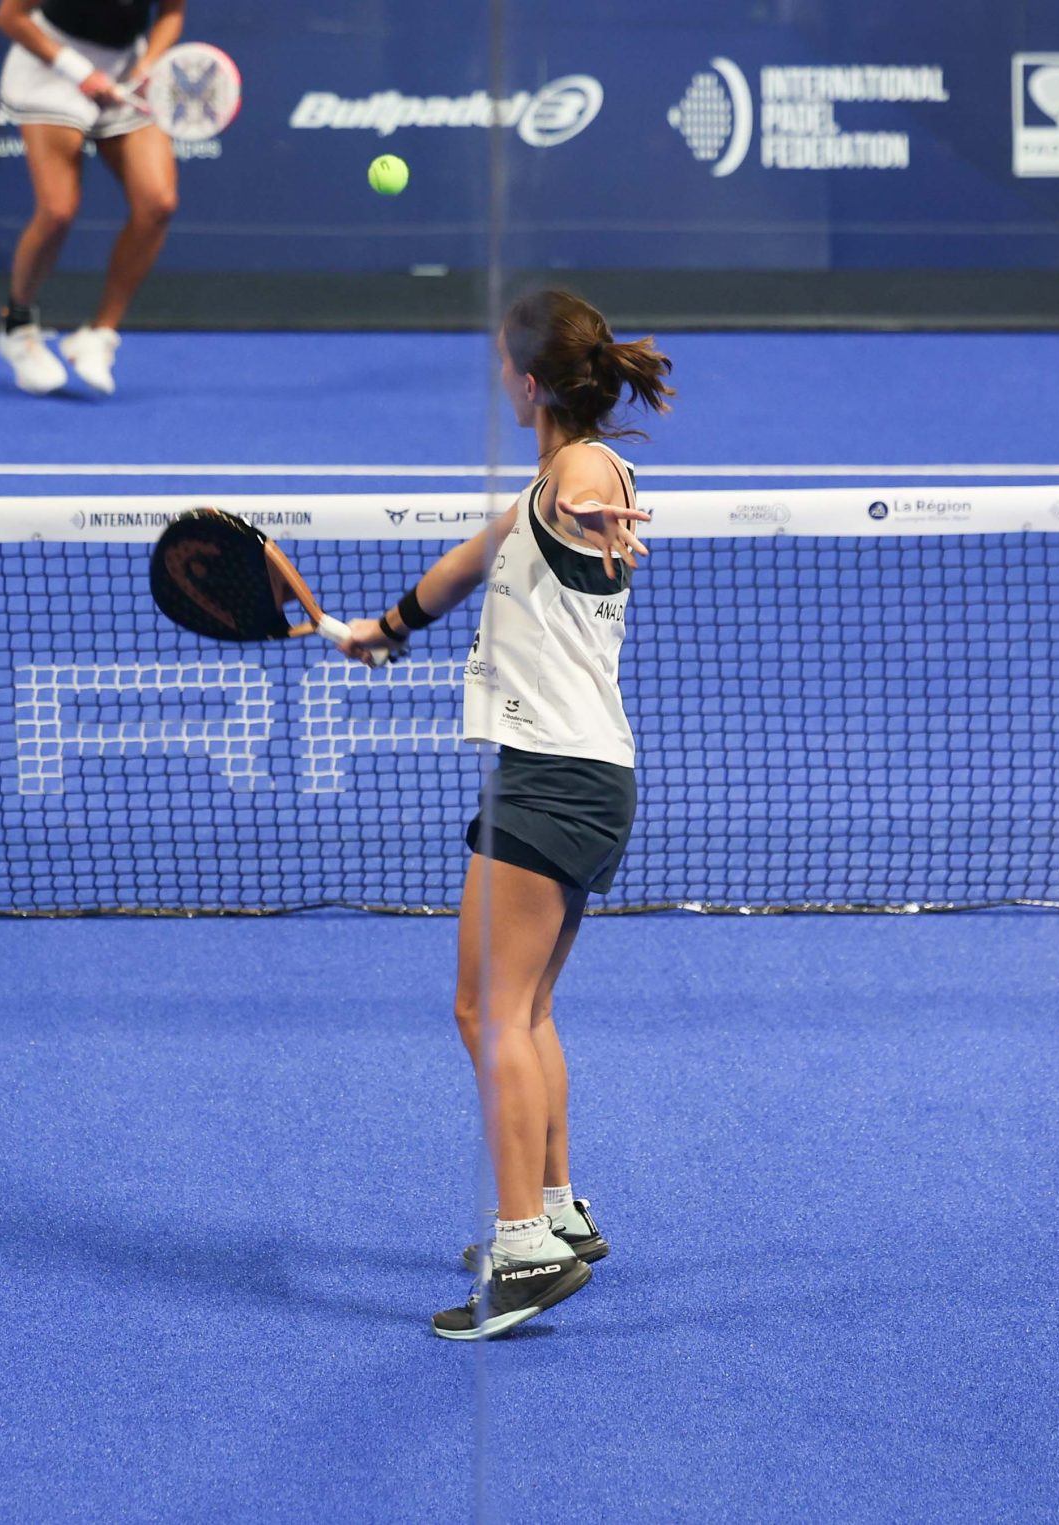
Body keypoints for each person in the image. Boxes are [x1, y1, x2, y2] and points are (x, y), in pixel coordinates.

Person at [336, 289, 674, 1339]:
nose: (498, 382)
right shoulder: (535, 492)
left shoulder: (582, 475)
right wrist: (386, 627)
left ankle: (523, 1248)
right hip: (582, 776)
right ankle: (559, 1211)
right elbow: (462, 567)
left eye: (502, 368)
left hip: (553, 779)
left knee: (485, 1010)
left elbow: (585, 490)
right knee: (523, 1010)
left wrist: (589, 511)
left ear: (530, 384)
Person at [0, 0, 184, 396]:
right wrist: (78, 71)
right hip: (51, 62)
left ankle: (98, 336)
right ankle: (17, 326)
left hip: (125, 66)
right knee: (57, 211)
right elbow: (9, 17)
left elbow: (171, 12)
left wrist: (148, 64)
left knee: (157, 204)